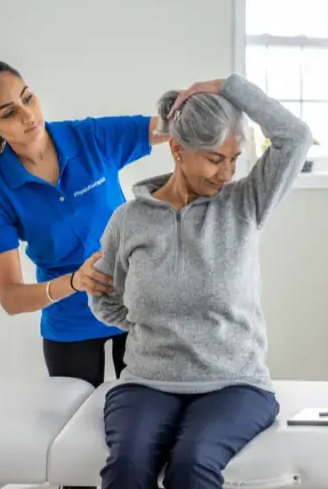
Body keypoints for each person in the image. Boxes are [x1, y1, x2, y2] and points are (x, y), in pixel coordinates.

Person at [88, 73, 313, 489]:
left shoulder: (246, 204)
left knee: (192, 466)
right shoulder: (129, 220)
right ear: (177, 149)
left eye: (234, 158)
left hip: (235, 383)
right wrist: (154, 324)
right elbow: (105, 301)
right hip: (147, 382)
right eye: (215, 159)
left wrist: (229, 86)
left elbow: (296, 136)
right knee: (127, 468)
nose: (227, 172)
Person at [0, 60, 169, 405]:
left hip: (135, 310)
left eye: (28, 98)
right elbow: (11, 297)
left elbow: (172, 127)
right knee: (73, 433)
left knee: (149, 417)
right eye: (8, 113)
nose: (28, 115)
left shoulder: (90, 138)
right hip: (70, 326)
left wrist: (216, 96)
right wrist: (75, 282)